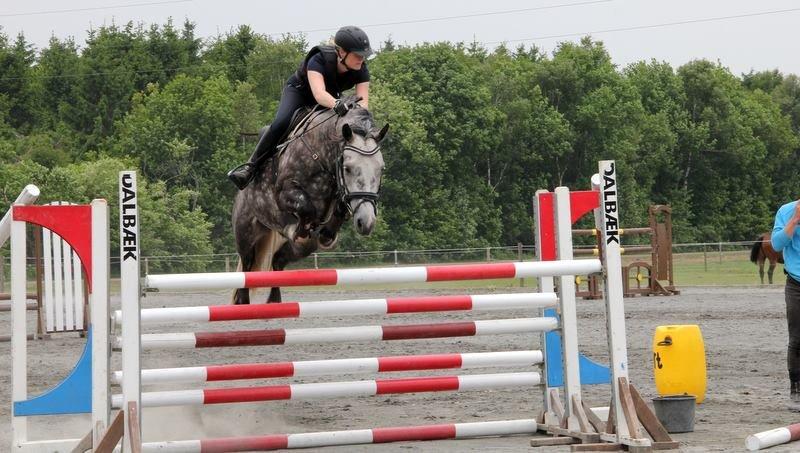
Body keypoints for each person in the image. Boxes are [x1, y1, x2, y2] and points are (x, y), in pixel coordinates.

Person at [227, 25, 373, 190]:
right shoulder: (318, 59)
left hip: (330, 99)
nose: (361, 59)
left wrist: (358, 121)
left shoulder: (362, 69)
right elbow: (319, 94)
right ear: (341, 52)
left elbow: (363, 103)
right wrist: (337, 104)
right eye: (357, 54)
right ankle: (250, 168)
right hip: (300, 93)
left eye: (364, 55)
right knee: (282, 122)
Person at [771, 198, 800, 411]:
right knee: (797, 339)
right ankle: (796, 389)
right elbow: (776, 244)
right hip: (796, 284)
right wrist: (795, 219)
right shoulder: (786, 210)